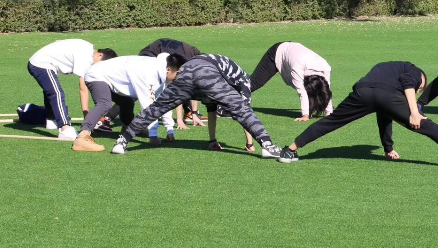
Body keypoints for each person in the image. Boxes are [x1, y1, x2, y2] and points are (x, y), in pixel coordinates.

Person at [277, 61, 438, 169]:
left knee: (330, 122)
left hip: (363, 91)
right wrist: (414, 112)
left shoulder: (385, 68)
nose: (418, 90)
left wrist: (388, 148)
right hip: (384, 94)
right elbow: (408, 85)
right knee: (426, 125)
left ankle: (289, 150)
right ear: (422, 80)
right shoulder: (413, 71)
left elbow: (383, 112)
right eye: (421, 88)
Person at [110, 54, 282, 158]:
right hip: (205, 70)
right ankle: (268, 146)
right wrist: (251, 144)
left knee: (156, 108)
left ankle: (122, 141)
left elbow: (211, 108)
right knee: (240, 109)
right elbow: (243, 110)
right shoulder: (244, 80)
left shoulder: (193, 70)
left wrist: (212, 140)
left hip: (186, 71)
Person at [73, 53, 185, 152]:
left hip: (110, 80)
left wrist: (170, 130)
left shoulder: (161, 73)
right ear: (169, 69)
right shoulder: (148, 72)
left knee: (127, 103)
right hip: (96, 75)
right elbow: (149, 106)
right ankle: (83, 136)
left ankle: (129, 129)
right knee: (104, 103)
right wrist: (153, 135)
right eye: (178, 74)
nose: (179, 78)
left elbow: (163, 103)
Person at [98, 38, 205, 132]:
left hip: (162, 55)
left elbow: (193, 86)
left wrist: (194, 112)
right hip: (151, 55)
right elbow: (179, 88)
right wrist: (179, 120)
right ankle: (106, 119)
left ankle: (188, 112)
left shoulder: (195, 59)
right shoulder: (186, 62)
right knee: (140, 91)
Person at [19, 39, 116, 140]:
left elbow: (60, 42)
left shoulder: (87, 46)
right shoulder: (86, 58)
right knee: (56, 93)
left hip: (41, 62)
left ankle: (52, 119)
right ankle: (65, 128)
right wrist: (87, 117)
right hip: (40, 64)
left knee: (51, 89)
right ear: (99, 55)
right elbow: (83, 88)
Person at [249, 42, 334, 121]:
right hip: (277, 52)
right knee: (253, 84)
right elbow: (301, 92)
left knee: (314, 93)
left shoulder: (326, 67)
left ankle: (310, 109)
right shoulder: (298, 66)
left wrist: (329, 113)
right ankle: (235, 92)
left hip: (293, 52)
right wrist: (305, 115)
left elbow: (326, 91)